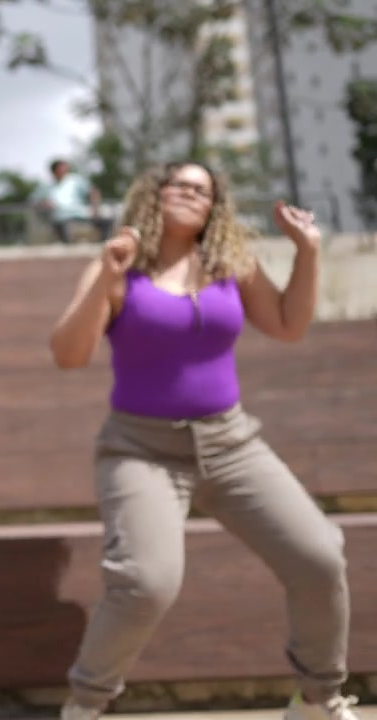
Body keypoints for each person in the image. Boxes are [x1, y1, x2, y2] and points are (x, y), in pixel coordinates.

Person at [48, 161, 357, 720]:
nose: (192, 193)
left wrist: (308, 251)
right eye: (181, 185)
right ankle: (86, 706)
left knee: (320, 557)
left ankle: (316, 700)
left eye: (204, 190)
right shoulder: (119, 265)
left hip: (231, 444)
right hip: (141, 451)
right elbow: (68, 355)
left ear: (214, 208)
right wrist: (104, 276)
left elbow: (287, 324)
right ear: (155, 193)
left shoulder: (230, 264)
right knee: (146, 582)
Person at [32, 159, 112, 244]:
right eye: (60, 170)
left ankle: (103, 244)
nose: (63, 172)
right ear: (54, 171)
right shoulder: (45, 186)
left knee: (106, 221)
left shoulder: (75, 180)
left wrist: (95, 208)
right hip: (60, 219)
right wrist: (44, 203)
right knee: (65, 233)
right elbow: (33, 201)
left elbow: (94, 192)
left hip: (81, 214)